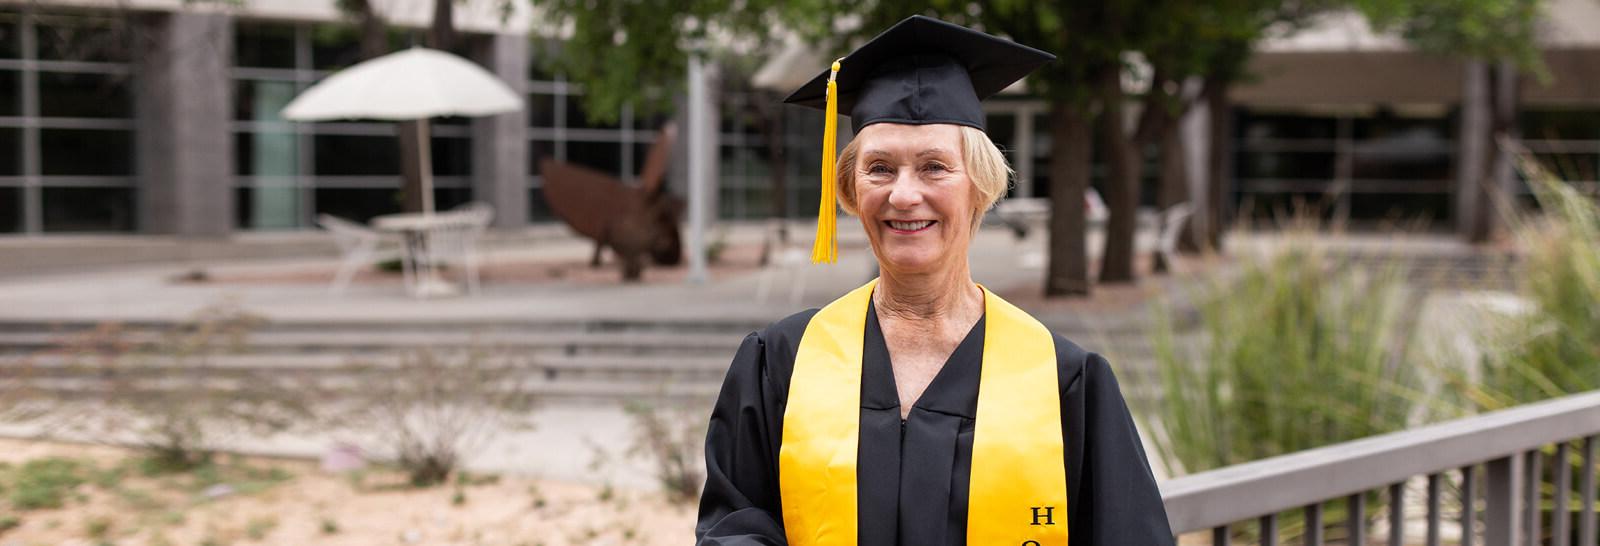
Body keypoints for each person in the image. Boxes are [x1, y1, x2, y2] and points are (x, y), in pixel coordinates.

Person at [695, 15, 1174, 546]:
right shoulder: (780, 362)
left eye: (933, 167)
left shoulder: (1063, 381)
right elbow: (733, 527)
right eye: (879, 168)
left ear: (981, 187)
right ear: (851, 193)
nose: (903, 195)